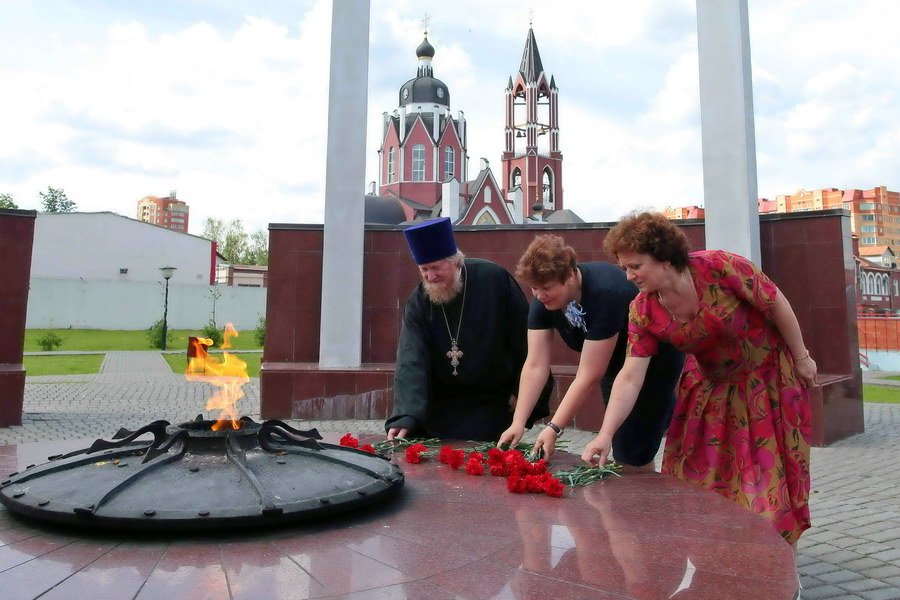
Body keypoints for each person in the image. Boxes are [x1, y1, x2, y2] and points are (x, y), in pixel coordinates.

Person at [581, 211, 815, 545]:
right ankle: (722, 557)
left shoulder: (720, 266)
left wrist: (802, 357)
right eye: (624, 268)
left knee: (766, 484)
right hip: (710, 392)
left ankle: (777, 561)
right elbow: (630, 376)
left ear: (664, 258)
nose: (629, 276)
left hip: (764, 382)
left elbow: (776, 304)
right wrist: (605, 434)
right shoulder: (643, 310)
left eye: (635, 266)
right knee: (702, 485)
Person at [498, 234, 684, 468]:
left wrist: (554, 428)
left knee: (630, 447)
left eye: (545, 288)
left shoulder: (604, 293)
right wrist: (518, 422)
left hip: (653, 360)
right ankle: (666, 419)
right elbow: (535, 365)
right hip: (613, 362)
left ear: (569, 276)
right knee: (625, 430)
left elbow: (588, 375)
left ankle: (644, 480)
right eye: (534, 288)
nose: (539, 295)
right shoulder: (543, 299)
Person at [385, 217, 552, 441]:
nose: (430, 277)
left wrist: (519, 390)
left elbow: (523, 338)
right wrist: (405, 416)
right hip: (440, 406)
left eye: (436, 267)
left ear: (455, 261)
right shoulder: (419, 300)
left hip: (491, 402)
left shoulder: (493, 279)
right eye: (424, 269)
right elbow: (411, 358)